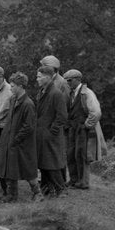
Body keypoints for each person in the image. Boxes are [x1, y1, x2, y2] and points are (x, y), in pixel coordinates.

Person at [0, 72, 40, 202]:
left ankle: (37, 193)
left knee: (27, 169)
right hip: (11, 140)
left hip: (22, 143)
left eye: (13, 86)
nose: (10, 88)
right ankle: (11, 195)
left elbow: (29, 126)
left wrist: (16, 139)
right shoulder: (13, 100)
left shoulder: (28, 104)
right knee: (10, 168)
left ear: (20, 86)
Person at [64, 69, 107, 190]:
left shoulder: (87, 93)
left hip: (83, 130)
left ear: (78, 79)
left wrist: (87, 125)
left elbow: (96, 112)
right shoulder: (71, 93)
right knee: (70, 154)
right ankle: (73, 180)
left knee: (82, 155)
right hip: (73, 129)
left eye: (70, 80)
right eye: (66, 81)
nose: (67, 83)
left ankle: (83, 182)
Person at [35, 64, 68, 197]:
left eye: (39, 77)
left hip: (50, 136)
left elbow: (62, 116)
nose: (37, 79)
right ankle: (47, 189)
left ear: (47, 77)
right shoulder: (42, 92)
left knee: (52, 164)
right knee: (43, 164)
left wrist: (51, 132)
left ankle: (61, 190)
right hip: (42, 134)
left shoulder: (56, 94)